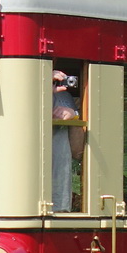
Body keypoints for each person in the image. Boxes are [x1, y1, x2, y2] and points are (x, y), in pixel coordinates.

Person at [51, 69, 80, 211]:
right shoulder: (10, 92)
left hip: (59, 199)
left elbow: (78, 151)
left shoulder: (65, 97)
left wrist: (74, 117)